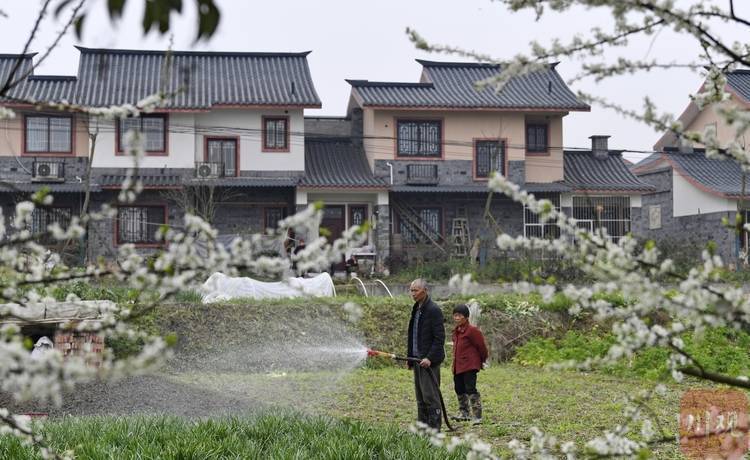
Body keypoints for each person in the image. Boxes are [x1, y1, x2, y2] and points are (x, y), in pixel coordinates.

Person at [406, 278, 445, 430]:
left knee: (430, 397)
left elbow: (439, 338)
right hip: (417, 359)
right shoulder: (417, 308)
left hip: (429, 362)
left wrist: (429, 357)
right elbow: (413, 334)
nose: (413, 293)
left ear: (425, 291)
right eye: (411, 290)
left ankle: (435, 430)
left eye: (415, 290)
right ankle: (423, 429)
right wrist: (410, 357)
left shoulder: (433, 310)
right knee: (420, 397)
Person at [450, 304, 488, 425]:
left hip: (470, 365)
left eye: (459, 315)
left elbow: (481, 347)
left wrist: (482, 360)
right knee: (459, 388)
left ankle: (477, 416)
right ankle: (464, 413)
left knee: (470, 388)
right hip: (458, 365)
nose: (456, 318)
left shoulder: (472, 331)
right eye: (455, 315)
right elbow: (455, 349)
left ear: (466, 317)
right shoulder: (456, 332)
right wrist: (453, 364)